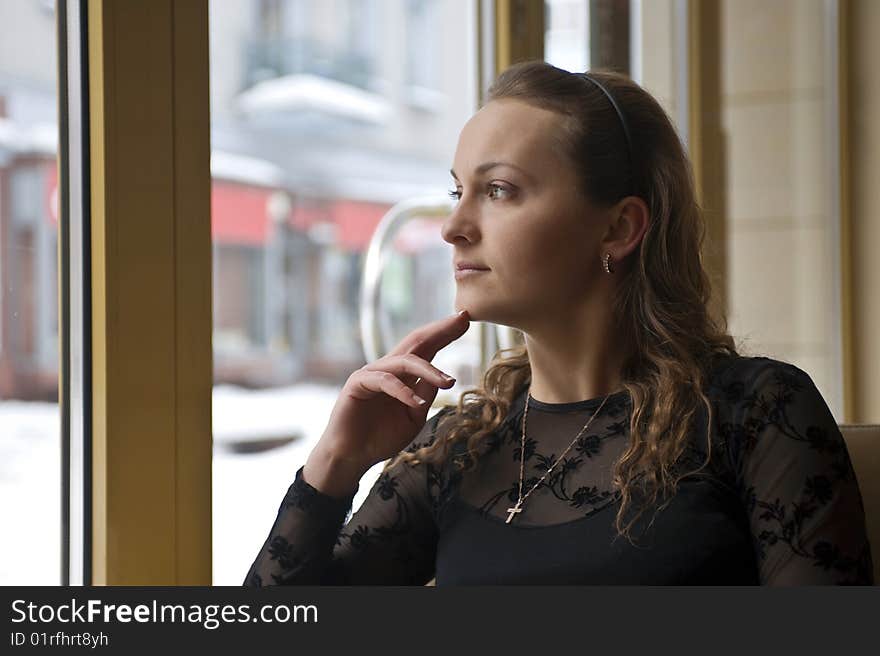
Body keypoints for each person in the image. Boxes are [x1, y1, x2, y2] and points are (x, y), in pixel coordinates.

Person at [243, 61, 874, 585]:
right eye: (458, 189)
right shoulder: (461, 445)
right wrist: (336, 462)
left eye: (499, 191)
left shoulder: (756, 413)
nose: (453, 226)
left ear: (619, 227)